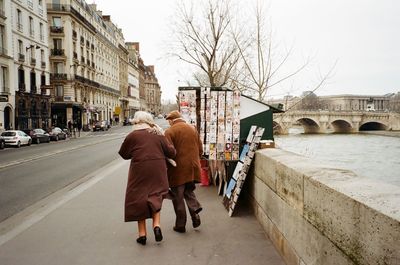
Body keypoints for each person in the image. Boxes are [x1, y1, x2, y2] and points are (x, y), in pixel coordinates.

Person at [118, 111, 176, 245]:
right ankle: (157, 226)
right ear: (150, 121)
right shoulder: (157, 134)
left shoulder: (132, 136)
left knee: (139, 198)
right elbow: (171, 152)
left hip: (139, 170)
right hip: (157, 169)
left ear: (136, 122)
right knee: (156, 195)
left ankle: (142, 234)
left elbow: (124, 154)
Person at [164, 110, 203, 233]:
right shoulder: (192, 129)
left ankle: (180, 225)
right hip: (193, 167)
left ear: (171, 120)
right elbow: (200, 149)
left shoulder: (170, 131)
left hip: (177, 170)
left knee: (178, 196)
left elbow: (169, 152)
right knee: (188, 191)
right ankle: (195, 212)